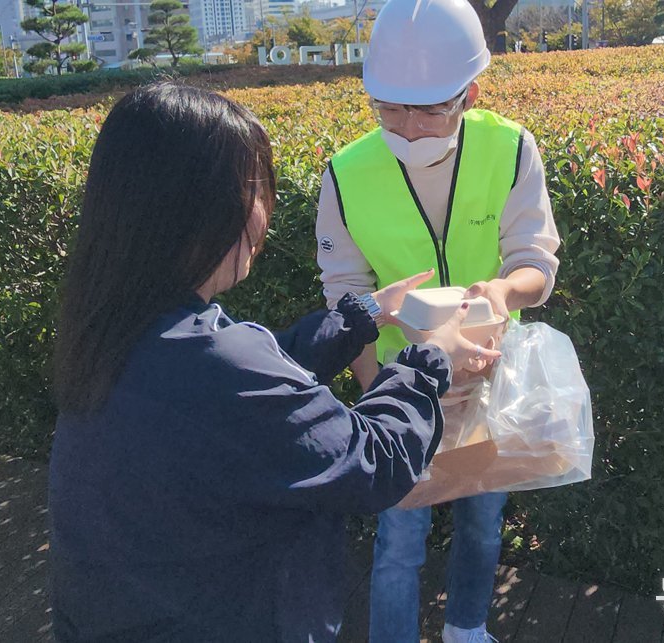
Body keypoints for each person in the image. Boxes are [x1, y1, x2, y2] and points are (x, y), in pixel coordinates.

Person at [48, 83, 500, 642]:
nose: (265, 214)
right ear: (199, 209)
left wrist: (362, 315)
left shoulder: (117, 328)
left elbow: (254, 387)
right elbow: (373, 463)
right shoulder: (216, 363)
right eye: (254, 189)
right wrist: (432, 361)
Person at [315, 0, 561, 641]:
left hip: (485, 374)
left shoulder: (509, 148)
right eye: (389, 108)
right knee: (400, 534)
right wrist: (375, 390)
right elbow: (345, 290)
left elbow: (535, 258)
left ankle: (466, 629)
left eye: (428, 108)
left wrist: (507, 290)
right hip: (399, 384)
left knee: (484, 518)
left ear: (470, 91)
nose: (408, 125)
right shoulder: (346, 172)